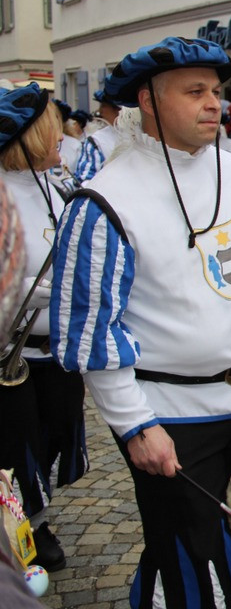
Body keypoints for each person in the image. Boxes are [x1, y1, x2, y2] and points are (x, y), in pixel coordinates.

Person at [51, 37, 231, 608]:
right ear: (147, 99)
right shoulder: (104, 199)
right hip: (170, 416)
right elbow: (95, 330)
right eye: (194, 92)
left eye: (216, 91)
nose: (213, 103)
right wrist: (135, 425)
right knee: (194, 554)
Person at [0, 85, 86, 572]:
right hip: (13, 354)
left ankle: (37, 508)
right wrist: (57, 289)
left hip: (62, 348)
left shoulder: (57, 184)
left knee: (57, 433)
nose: (65, 136)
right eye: (52, 129)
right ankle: (26, 524)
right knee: (17, 446)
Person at [74, 90, 123, 184]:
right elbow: (86, 181)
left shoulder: (141, 136)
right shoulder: (97, 140)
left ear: (117, 110)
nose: (100, 111)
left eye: (103, 106)